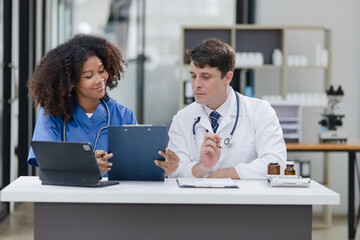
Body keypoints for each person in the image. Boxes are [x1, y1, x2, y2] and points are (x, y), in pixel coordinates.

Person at [155, 39, 286, 179]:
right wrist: (204, 166)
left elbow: (276, 162)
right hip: (198, 199)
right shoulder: (182, 118)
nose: (196, 84)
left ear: (227, 77)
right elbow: (175, 170)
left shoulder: (260, 111)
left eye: (205, 77)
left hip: (244, 199)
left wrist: (224, 174)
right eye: (193, 76)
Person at [27, 34, 137, 176]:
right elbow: (46, 163)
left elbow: (136, 164)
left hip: (113, 195)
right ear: (71, 82)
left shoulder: (124, 116)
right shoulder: (51, 115)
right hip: (67, 195)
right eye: (88, 76)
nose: (99, 80)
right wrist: (88, 164)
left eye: (101, 70)